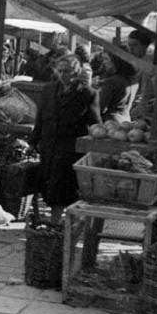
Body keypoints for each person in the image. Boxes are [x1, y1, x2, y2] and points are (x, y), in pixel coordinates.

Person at [30, 55, 101, 224]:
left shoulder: (87, 94)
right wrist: (33, 141)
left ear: (76, 72)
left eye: (67, 71)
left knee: (63, 187)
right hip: (49, 145)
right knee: (48, 185)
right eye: (59, 71)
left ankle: (62, 222)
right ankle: (56, 222)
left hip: (70, 149)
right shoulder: (48, 89)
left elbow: (95, 123)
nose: (63, 75)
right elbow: (40, 117)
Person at [98, 52, 139, 124]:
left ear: (116, 61)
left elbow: (99, 107)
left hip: (111, 122)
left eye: (106, 59)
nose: (103, 62)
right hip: (126, 120)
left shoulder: (112, 82)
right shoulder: (133, 79)